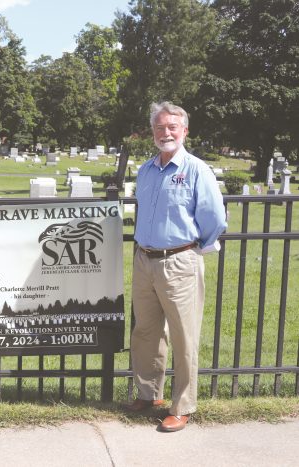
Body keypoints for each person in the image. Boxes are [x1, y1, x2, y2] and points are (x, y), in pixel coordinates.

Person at [128, 102, 227, 432]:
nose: (165, 132)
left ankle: (182, 406)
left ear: (184, 131)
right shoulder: (146, 170)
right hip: (144, 260)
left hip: (180, 261)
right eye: (159, 127)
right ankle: (148, 393)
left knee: (184, 337)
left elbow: (214, 217)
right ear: (153, 132)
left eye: (172, 127)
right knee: (145, 332)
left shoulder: (197, 170)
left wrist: (195, 247)